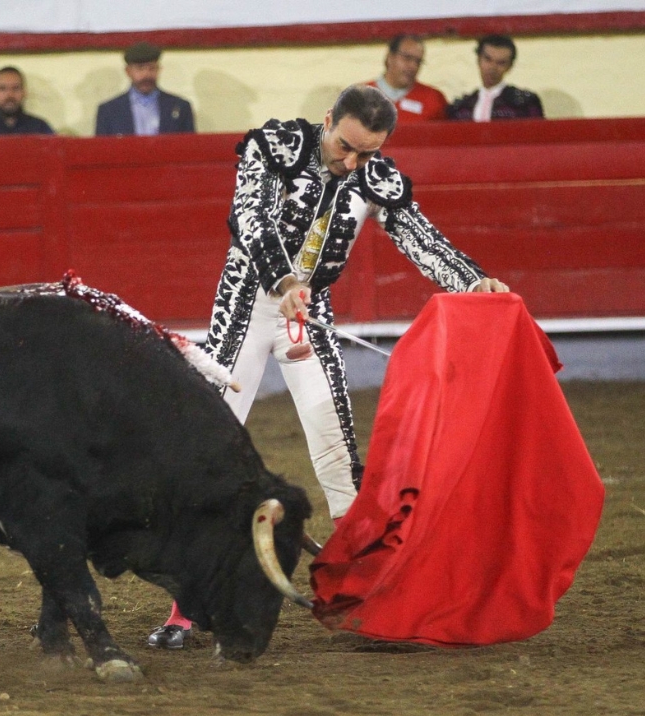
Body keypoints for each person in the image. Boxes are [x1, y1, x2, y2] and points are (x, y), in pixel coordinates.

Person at [145, 84, 511, 650]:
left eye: (367, 153)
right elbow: (251, 219)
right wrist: (286, 281)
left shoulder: (373, 175)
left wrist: (472, 280)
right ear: (327, 122)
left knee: (339, 451)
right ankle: (186, 608)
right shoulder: (277, 146)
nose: (352, 162)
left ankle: (369, 596)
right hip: (244, 308)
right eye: (345, 146)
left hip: (309, 315)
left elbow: (418, 236)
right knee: (208, 451)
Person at [95, 42, 194, 136]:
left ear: (159, 69)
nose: (146, 75)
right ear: (128, 71)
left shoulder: (180, 107)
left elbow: (189, 148)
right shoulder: (109, 111)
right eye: (140, 68)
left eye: (152, 68)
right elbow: (102, 150)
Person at [447, 35, 544, 121]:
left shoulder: (524, 103)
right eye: (488, 60)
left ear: (509, 67)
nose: (492, 68)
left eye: (501, 63)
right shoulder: (461, 106)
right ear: (478, 60)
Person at [365, 35, 448, 122]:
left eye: (418, 61)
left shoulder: (433, 99)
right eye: (407, 58)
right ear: (390, 57)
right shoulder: (360, 96)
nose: (413, 66)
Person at [0, 67, 54, 137]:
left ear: (24, 92)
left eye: (16, 88)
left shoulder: (40, 129)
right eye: (2, 89)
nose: (9, 95)